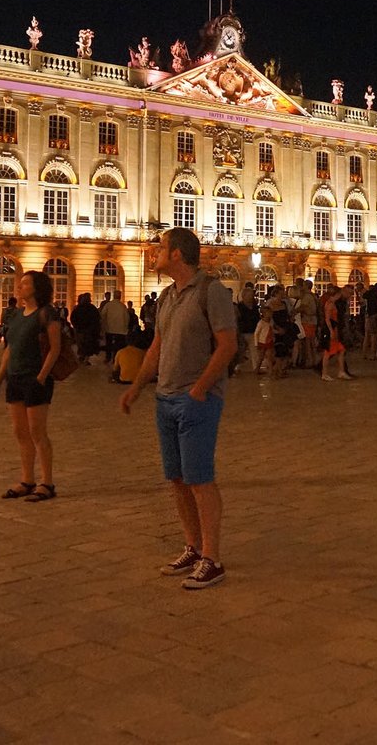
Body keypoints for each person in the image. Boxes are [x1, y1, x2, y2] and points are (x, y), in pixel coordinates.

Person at [119, 227, 239, 590]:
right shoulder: (169, 296)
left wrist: (201, 389)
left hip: (195, 400)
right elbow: (157, 345)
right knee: (177, 478)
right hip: (166, 399)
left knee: (200, 480)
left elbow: (228, 345)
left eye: (161, 247)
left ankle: (212, 558)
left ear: (177, 254)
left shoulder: (211, 292)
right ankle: (193, 546)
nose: (155, 252)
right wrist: (137, 387)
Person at [0, 271, 62, 502]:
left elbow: (55, 348)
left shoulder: (47, 314)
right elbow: (9, 351)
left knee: (38, 432)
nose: (20, 286)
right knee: (20, 432)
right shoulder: (16, 316)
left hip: (35, 379)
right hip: (15, 379)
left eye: (25, 283)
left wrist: (41, 376)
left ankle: (47, 482)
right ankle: (27, 479)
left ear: (37, 288)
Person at [319, 285, 354, 380]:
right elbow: (327, 319)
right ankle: (324, 373)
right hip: (331, 328)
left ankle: (341, 371)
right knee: (327, 352)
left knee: (341, 350)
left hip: (335, 328)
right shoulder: (330, 304)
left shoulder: (333, 304)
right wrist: (331, 331)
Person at [100, 291, 129, 364]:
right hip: (120, 330)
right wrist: (125, 327)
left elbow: (103, 315)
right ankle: (116, 359)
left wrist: (104, 326)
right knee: (118, 346)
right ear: (120, 296)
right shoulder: (122, 306)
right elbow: (127, 318)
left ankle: (108, 357)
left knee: (109, 345)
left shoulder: (108, 305)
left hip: (109, 328)